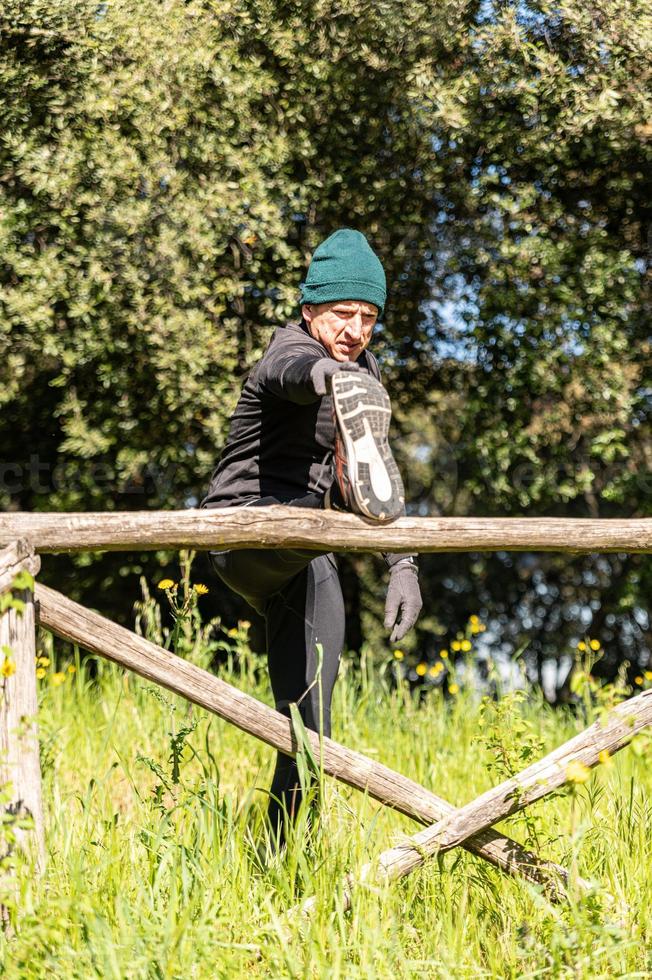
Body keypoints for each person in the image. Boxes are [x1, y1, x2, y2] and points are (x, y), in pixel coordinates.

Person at [200, 228, 422, 847]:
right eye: (343, 314)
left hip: (304, 554)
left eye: (369, 317)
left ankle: (278, 856)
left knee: (309, 723)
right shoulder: (289, 350)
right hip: (243, 536)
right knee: (317, 553)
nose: (356, 329)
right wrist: (332, 377)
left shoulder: (366, 372)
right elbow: (294, 373)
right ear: (310, 311)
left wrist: (402, 563)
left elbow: (372, 473)